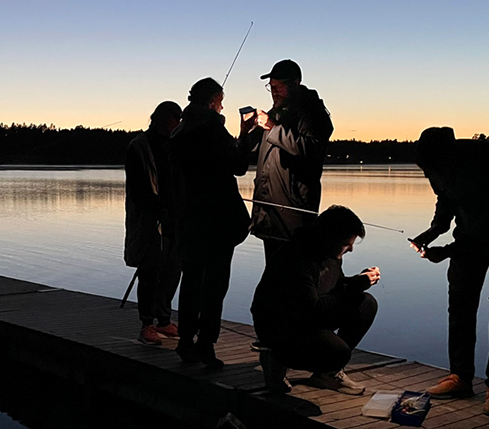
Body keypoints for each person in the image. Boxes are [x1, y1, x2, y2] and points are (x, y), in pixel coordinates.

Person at [409, 127, 489, 418]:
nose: (430, 174)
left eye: (432, 168)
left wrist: (448, 251)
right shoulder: (435, 163)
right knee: (461, 302)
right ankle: (461, 377)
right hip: (471, 232)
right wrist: (432, 232)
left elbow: (488, 225)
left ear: (448, 156)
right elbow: (447, 197)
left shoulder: (486, 161)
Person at [168, 77, 252, 368]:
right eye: (221, 100)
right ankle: (205, 344)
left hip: (189, 219)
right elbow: (238, 166)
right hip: (216, 220)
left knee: (191, 281)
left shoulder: (179, 130)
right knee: (215, 284)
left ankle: (185, 341)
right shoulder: (211, 127)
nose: (223, 105)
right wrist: (246, 135)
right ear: (213, 100)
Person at [251, 205, 380, 394]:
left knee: (366, 303)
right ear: (329, 237)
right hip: (280, 325)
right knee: (337, 353)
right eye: (347, 243)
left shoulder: (331, 252)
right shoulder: (297, 257)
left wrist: (360, 280)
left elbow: (335, 287)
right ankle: (275, 358)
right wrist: (354, 286)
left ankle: (326, 374)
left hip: (308, 317)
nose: (351, 249)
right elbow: (313, 306)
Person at [239, 59, 334, 263]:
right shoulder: (275, 113)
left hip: (293, 216)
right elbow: (252, 150)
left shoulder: (313, 113)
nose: (274, 92)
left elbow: (309, 150)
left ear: (295, 84)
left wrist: (273, 127)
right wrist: (245, 132)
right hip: (269, 213)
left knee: (292, 277)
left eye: (279, 87)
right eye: (271, 87)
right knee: (273, 274)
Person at [124, 101, 184, 345]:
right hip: (150, 219)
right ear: (162, 118)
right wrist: (157, 206)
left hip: (174, 218)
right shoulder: (139, 146)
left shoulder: (175, 144)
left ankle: (164, 319)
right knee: (150, 272)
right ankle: (146, 324)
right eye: (175, 118)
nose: (178, 122)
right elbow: (138, 188)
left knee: (172, 271)